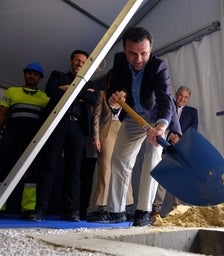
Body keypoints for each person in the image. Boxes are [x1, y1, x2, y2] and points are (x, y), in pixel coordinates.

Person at [93, 26, 181, 227]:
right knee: (119, 159)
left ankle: (143, 210)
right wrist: (113, 100)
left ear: (150, 49)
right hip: (133, 116)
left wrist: (161, 126)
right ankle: (116, 211)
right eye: (133, 53)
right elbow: (112, 90)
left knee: (152, 158)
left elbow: (166, 99)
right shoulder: (119, 61)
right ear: (125, 51)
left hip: (155, 116)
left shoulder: (159, 66)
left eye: (144, 53)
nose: (139, 59)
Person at [27, 50, 98, 222]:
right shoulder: (57, 75)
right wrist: (81, 94)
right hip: (57, 125)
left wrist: (69, 91)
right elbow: (52, 91)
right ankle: (41, 209)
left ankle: (71, 211)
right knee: (49, 166)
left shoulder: (92, 84)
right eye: (77, 60)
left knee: (74, 171)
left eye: (83, 62)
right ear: (71, 61)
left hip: (79, 130)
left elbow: (93, 98)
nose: (79, 64)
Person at [0, 62, 49, 218]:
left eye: (35, 74)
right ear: (24, 74)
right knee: (4, 167)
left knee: (32, 171)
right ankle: (1, 204)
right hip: (11, 132)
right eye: (29, 73)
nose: (31, 76)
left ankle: (28, 208)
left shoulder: (44, 98)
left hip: (32, 136)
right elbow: (2, 113)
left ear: (39, 78)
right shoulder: (11, 92)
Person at [86, 71, 134, 223]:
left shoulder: (126, 96)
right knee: (105, 168)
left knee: (123, 168)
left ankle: (123, 205)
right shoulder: (102, 94)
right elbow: (96, 116)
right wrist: (95, 136)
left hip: (122, 131)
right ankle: (101, 206)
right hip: (105, 132)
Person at [151, 86, 198, 218]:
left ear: (188, 99)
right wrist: (169, 135)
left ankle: (176, 211)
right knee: (162, 179)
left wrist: (180, 139)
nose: (182, 99)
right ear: (176, 95)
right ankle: (156, 210)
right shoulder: (167, 105)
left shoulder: (192, 112)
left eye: (185, 97)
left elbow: (193, 130)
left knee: (179, 180)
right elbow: (158, 123)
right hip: (165, 147)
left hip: (181, 151)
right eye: (180, 95)